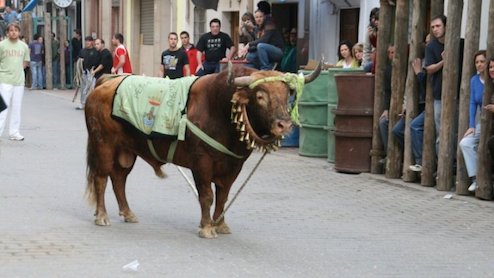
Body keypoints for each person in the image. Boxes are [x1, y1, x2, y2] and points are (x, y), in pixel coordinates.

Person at [458, 50, 487, 192]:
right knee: (465, 143)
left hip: (490, 122)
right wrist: (471, 125)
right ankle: (476, 178)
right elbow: (472, 104)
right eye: (477, 62)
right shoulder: (474, 80)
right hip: (483, 122)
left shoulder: (491, 80)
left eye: (482, 61)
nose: (479, 64)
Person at [0, 22, 30, 141]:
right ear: (7, 32)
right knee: (3, 107)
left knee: (17, 107)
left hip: (19, 81)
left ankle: (14, 132)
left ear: (19, 32)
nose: (13, 32)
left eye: (16, 30)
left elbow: (25, 62)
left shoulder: (23, 46)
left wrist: (18, 70)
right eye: (11, 30)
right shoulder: (2, 45)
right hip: (5, 79)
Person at [378, 45, 396, 152]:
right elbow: (387, 91)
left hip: (407, 105)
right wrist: (386, 109)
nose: (391, 55)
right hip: (392, 105)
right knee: (383, 122)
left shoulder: (407, 68)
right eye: (389, 53)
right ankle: (388, 153)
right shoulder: (388, 71)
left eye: (393, 52)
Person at [76, 36, 100, 110]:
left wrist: (94, 70)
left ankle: (91, 104)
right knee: (83, 88)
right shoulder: (82, 51)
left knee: (91, 88)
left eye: (89, 41)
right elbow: (79, 60)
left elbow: (97, 61)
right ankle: (82, 103)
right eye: (86, 41)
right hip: (84, 72)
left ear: (92, 42)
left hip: (92, 72)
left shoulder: (95, 51)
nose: (87, 42)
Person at [362, 8, 379, 72]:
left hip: (378, 59)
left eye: (376, 18)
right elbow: (366, 49)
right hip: (371, 60)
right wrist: (364, 63)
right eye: (372, 18)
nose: (374, 20)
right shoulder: (370, 31)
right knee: (366, 67)